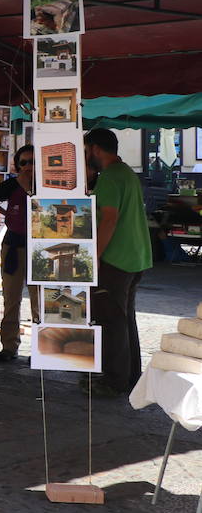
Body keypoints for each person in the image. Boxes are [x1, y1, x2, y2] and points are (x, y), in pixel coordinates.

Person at [84, 128, 153, 397]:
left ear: (96, 149)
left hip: (117, 259)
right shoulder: (125, 172)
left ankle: (114, 380)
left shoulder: (111, 176)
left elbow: (109, 218)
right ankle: (130, 376)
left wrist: (95, 256)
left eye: (87, 149)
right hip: (135, 257)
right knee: (124, 320)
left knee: (112, 321)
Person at [0, 145, 39, 363]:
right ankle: (9, 346)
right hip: (14, 245)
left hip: (38, 247)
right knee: (11, 298)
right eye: (23, 162)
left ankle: (41, 349)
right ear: (17, 165)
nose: (28, 166)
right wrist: (5, 213)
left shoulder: (45, 183)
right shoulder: (11, 184)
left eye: (32, 161)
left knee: (39, 300)